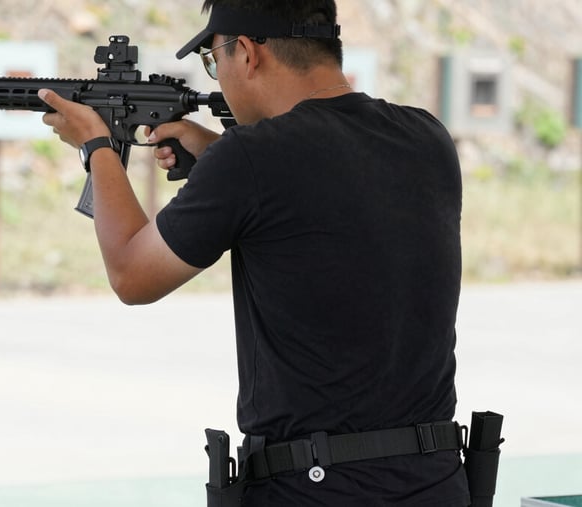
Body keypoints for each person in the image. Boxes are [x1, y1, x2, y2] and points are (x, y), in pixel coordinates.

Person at [38, 0, 469, 505]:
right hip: (436, 480)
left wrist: (98, 148)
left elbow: (133, 275)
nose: (217, 77)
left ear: (245, 52)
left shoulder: (252, 159)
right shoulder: (425, 137)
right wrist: (219, 158)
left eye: (212, 60)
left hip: (316, 488)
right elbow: (322, 212)